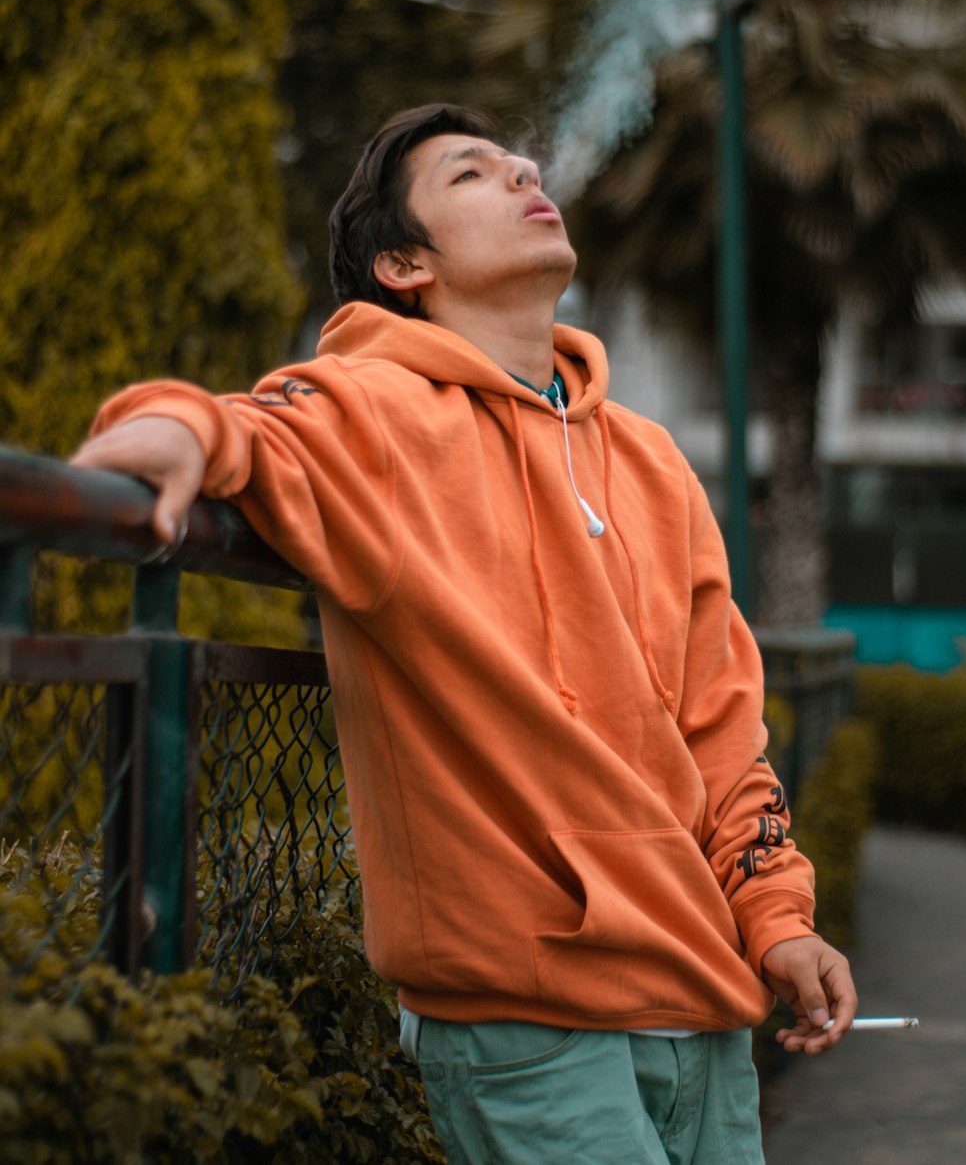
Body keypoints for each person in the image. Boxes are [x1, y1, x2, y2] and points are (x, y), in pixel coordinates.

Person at [72, 102, 857, 1164]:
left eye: (521, 162)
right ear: (402, 263)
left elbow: (722, 731)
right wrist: (165, 429)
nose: (525, 173)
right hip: (524, 1012)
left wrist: (780, 920)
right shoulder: (379, 411)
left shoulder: (652, 460)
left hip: (706, 1001)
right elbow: (257, 428)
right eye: (473, 175)